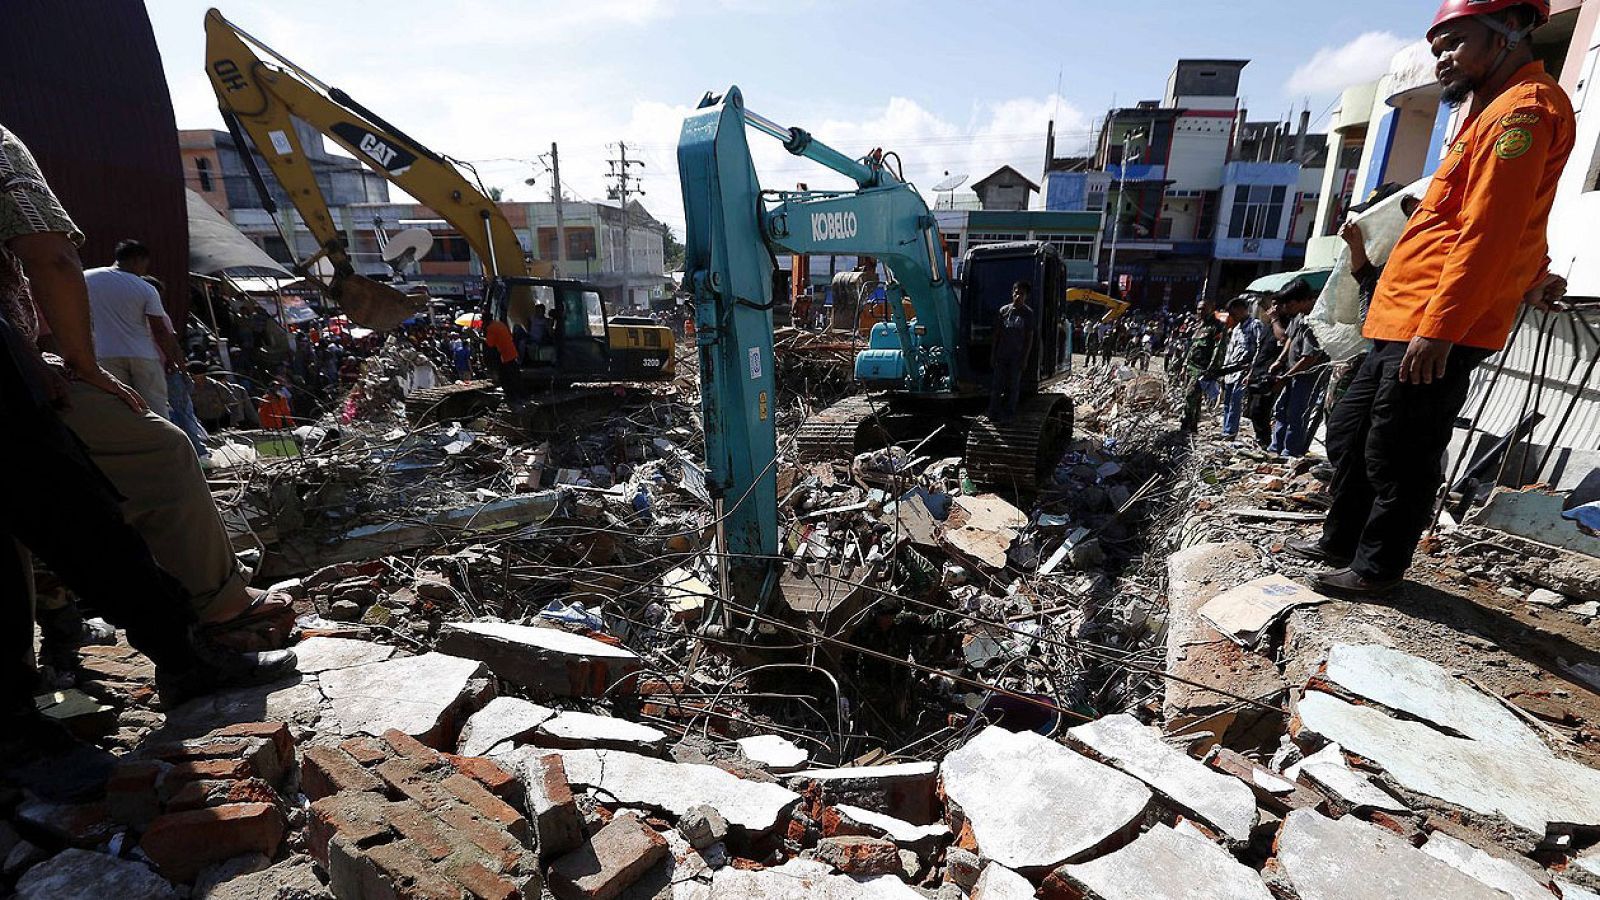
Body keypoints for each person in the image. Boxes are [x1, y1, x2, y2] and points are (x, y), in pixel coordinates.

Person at [0, 122, 295, 750]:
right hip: (38, 371)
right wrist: (83, 364)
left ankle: (24, 694)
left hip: (39, 359)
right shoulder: (4, 148)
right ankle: (214, 620)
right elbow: (49, 255)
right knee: (150, 459)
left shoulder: (107, 280)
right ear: (147, 264)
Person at [1287, 0, 1574, 595]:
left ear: (1510, 31)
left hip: (1436, 324)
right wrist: (1536, 274)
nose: (1441, 57)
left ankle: (1376, 569)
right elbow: (1515, 224)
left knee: (1399, 448)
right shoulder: (1485, 114)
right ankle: (1340, 540)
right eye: (1436, 45)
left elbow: (1491, 230)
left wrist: (1441, 327)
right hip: (1399, 317)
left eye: (1456, 42)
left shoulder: (1522, 114)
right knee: (1349, 432)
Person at [84, 240, 182, 416]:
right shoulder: (145, 288)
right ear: (137, 260)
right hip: (143, 355)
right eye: (145, 264)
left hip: (105, 354)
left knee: (118, 408)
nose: (144, 270)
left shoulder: (87, 278)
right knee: (155, 409)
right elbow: (159, 330)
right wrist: (170, 359)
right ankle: (160, 442)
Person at [1266, 282, 1322, 457]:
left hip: (1307, 376)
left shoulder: (1316, 320)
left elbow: (1309, 358)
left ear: (1305, 300)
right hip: (1291, 373)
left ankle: (1290, 453)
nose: (1287, 309)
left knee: (1297, 414)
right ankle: (1276, 449)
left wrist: (1285, 378)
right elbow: (1290, 338)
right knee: (1281, 410)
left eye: (1290, 305)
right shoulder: (1298, 316)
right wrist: (1280, 360)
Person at [987, 281, 1035, 423]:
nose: (1017, 295)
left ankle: (1009, 414)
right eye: (1015, 292)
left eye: (1021, 293)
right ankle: (993, 413)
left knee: (1013, 387)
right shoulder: (1004, 311)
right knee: (997, 386)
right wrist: (993, 353)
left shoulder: (1028, 314)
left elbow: (1029, 338)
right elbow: (997, 335)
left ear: (1025, 296)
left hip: (1017, 357)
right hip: (1002, 355)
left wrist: (1025, 359)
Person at [1180, 296, 1225, 433]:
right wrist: (1184, 365)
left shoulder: (1217, 327)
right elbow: (1192, 348)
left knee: (1190, 396)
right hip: (1190, 367)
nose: (1200, 311)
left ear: (1211, 308)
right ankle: (1193, 428)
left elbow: (1218, 350)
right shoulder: (1198, 326)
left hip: (1202, 369)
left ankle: (1185, 424)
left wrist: (1211, 370)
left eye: (1204, 308)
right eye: (1199, 309)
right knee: (1195, 399)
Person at [1218, 297, 1260, 440]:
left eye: (1234, 312)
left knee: (1235, 402)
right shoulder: (1236, 329)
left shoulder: (1255, 326)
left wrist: (1252, 369)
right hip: (1230, 371)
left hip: (1243, 371)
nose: (1232, 315)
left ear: (1242, 309)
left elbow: (1260, 349)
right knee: (1227, 403)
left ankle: (1230, 432)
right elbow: (1230, 351)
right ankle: (1225, 430)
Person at [484, 313, 523, 404]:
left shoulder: (491, 328)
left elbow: (490, 344)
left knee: (506, 377)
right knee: (515, 375)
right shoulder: (500, 324)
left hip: (505, 355)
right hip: (512, 351)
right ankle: (521, 394)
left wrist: (480, 338)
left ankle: (512, 397)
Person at [190, 361, 235, 431]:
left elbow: (232, 401)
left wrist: (234, 421)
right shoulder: (189, 388)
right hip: (203, 422)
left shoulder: (215, 385)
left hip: (221, 420)